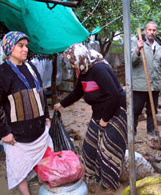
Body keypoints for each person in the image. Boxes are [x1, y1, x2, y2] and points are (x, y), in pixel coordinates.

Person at [54, 43, 127, 194]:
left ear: (80, 58)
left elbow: (114, 95)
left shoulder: (99, 69)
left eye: (73, 62)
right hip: (99, 114)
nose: (73, 66)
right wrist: (60, 104)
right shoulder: (84, 71)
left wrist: (105, 120)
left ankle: (109, 185)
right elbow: (77, 93)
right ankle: (93, 178)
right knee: (89, 147)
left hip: (114, 113)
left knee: (108, 151)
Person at [0, 31, 52, 195]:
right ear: (9, 48)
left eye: (26, 46)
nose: (25, 50)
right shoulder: (3, 73)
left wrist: (47, 116)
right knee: (18, 167)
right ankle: (26, 193)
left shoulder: (31, 67)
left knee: (46, 158)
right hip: (16, 135)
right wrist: (4, 132)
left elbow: (40, 93)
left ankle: (50, 185)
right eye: (20, 46)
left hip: (38, 130)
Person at [131, 21, 161, 135]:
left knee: (152, 110)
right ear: (145, 31)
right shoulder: (137, 44)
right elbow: (132, 61)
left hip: (155, 85)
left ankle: (151, 130)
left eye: (154, 30)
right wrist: (138, 49)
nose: (152, 32)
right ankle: (133, 130)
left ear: (156, 32)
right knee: (136, 109)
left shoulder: (159, 48)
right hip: (140, 85)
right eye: (149, 30)